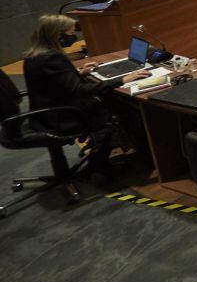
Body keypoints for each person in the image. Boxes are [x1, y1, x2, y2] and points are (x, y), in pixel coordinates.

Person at [23, 14, 150, 180]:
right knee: (117, 113)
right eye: (70, 33)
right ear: (58, 36)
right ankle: (99, 165)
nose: (73, 37)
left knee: (108, 103)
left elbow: (54, 83)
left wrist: (78, 73)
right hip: (60, 118)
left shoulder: (33, 55)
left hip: (43, 114)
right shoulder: (53, 58)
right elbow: (80, 90)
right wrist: (122, 79)